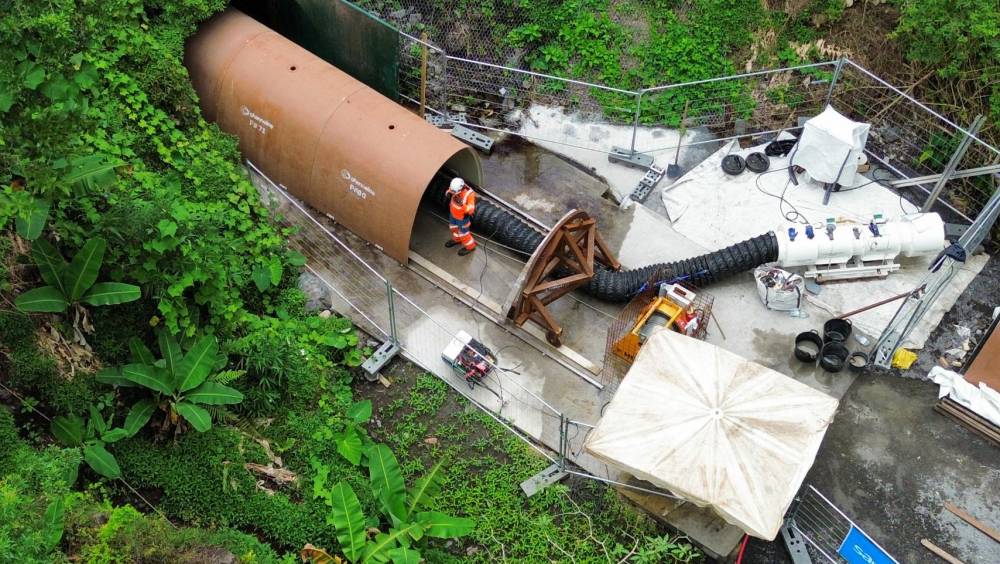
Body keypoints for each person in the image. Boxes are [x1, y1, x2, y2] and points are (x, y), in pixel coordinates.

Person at [445, 177, 477, 256]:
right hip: (453, 215)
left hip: (462, 219)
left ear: (461, 188)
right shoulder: (455, 186)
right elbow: (449, 190)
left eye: (454, 192)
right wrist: (448, 193)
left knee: (464, 233)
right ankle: (457, 239)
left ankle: (470, 246)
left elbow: (471, 210)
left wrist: (462, 205)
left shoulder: (469, 194)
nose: (453, 193)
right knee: (453, 228)